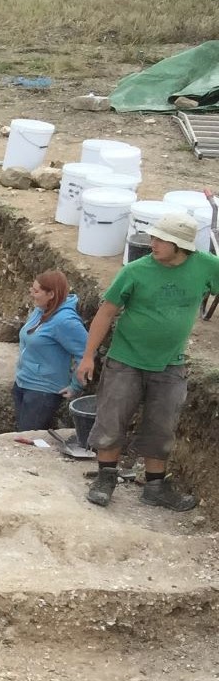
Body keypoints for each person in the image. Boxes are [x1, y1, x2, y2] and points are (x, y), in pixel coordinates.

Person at [77, 212, 219, 510]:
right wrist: (88, 355)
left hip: (171, 363)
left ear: (179, 246)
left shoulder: (207, 266)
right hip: (125, 359)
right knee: (112, 419)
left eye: (159, 240)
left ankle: (155, 487)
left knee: (162, 425)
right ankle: (106, 478)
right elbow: (106, 312)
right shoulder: (135, 271)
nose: (151, 243)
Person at [13, 270, 87, 431]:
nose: (31, 294)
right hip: (23, 382)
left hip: (42, 392)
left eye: (36, 291)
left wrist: (76, 385)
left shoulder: (65, 321)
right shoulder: (41, 309)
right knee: (23, 436)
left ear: (51, 294)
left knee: (27, 439)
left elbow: (86, 353)